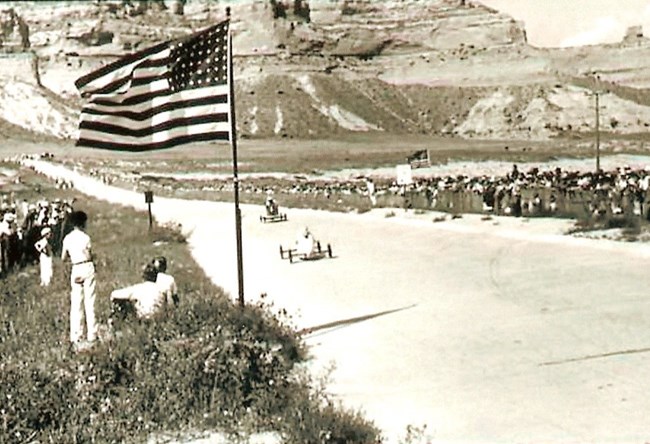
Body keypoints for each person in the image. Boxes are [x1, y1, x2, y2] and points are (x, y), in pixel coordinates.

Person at [60, 210, 97, 351]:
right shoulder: (85, 238)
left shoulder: (67, 238)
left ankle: (76, 335)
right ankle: (92, 334)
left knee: (76, 302)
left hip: (75, 268)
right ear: (83, 223)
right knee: (90, 300)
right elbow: (89, 254)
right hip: (86, 266)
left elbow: (63, 258)